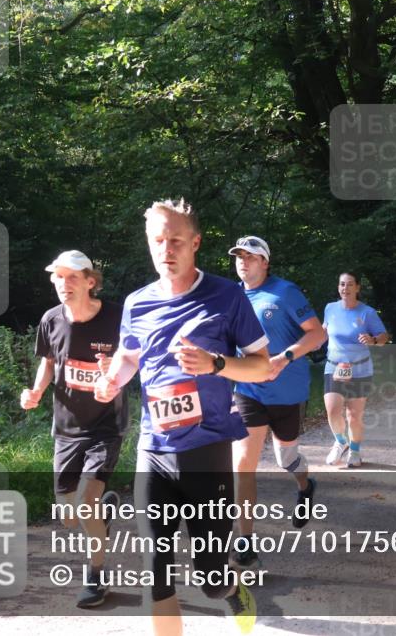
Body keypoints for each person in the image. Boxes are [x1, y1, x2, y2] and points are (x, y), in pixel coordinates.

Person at [94, 200, 269, 635]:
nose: (166, 249)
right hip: (154, 449)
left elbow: (262, 366)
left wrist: (215, 364)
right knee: (156, 566)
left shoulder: (226, 296)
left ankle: (231, 589)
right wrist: (111, 381)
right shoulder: (137, 303)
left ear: (195, 243)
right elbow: (129, 357)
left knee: (210, 577)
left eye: (175, 240)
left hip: (207, 450)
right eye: (158, 241)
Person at [20, 249, 127, 608]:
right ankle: (103, 514)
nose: (63, 284)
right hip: (67, 427)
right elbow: (48, 363)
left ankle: (96, 576)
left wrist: (115, 369)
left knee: (84, 504)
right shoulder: (51, 320)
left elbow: (136, 359)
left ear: (90, 282)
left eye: (72, 277)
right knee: (69, 517)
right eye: (58, 277)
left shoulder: (116, 317)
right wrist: (36, 390)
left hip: (106, 426)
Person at [227, 236, 326, 571]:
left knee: (287, 458)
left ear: (265, 262)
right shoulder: (231, 297)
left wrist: (285, 358)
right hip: (248, 391)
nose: (243, 261)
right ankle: (245, 543)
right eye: (239, 256)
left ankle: (305, 485)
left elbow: (317, 334)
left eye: (251, 256)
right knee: (243, 464)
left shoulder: (285, 292)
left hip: (288, 393)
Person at [322, 272, 389, 468]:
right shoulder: (330, 308)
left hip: (359, 369)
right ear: (338, 287)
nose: (345, 288)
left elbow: (384, 337)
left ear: (358, 287)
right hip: (334, 366)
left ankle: (355, 450)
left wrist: (373, 340)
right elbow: (324, 330)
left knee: (353, 415)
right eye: (342, 284)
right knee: (333, 411)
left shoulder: (367, 312)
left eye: (350, 284)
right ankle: (341, 442)